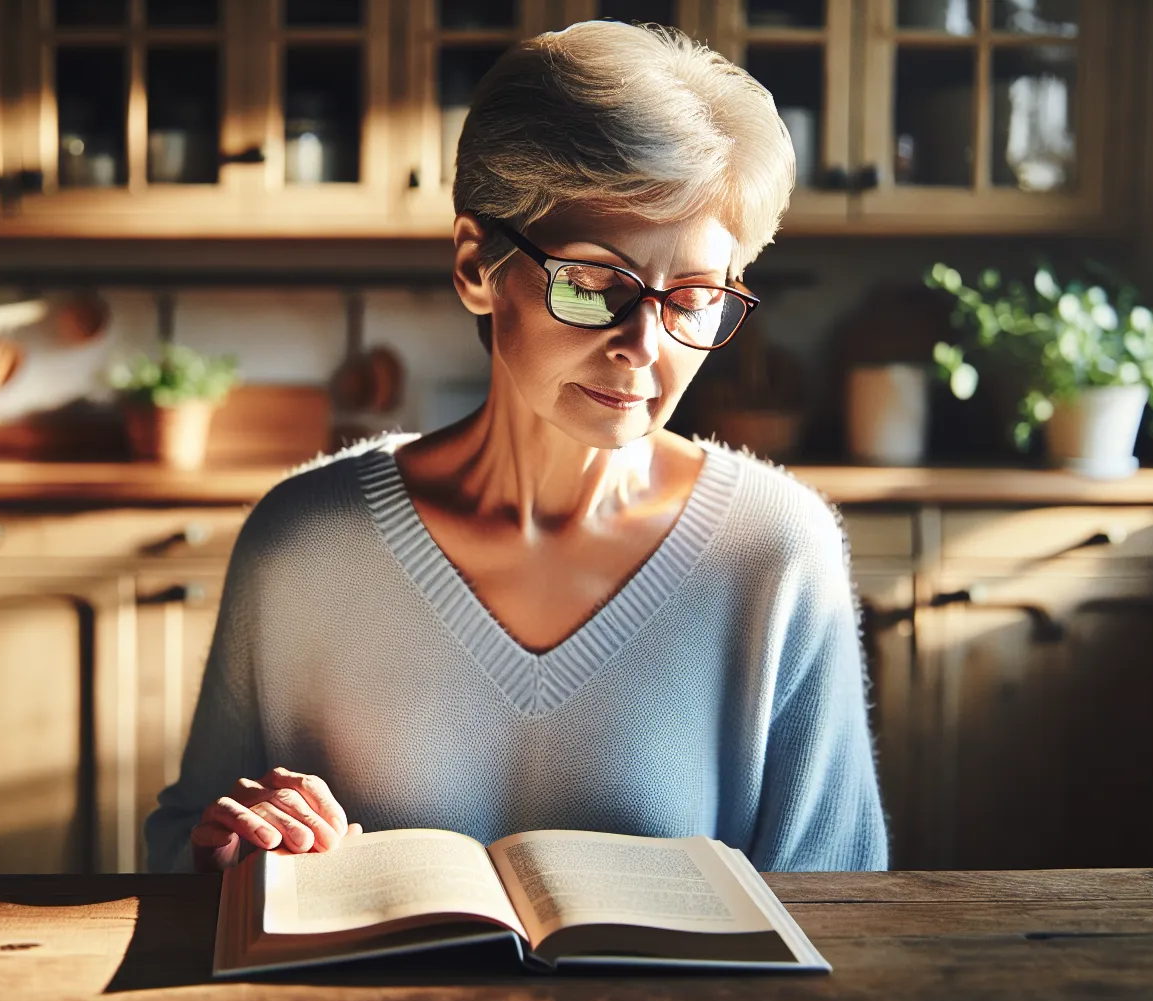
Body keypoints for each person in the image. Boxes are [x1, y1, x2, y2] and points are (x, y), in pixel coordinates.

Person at [145, 19, 888, 875]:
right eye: (595, 284)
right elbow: (181, 847)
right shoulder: (303, 542)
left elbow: (839, 898)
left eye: (691, 298)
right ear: (476, 266)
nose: (644, 346)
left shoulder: (777, 549)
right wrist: (236, 848)